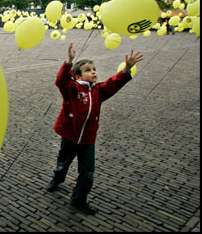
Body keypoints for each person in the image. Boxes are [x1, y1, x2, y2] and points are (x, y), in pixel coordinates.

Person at [47, 42, 143, 215]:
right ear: (77, 76)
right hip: (69, 137)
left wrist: (126, 69)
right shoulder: (72, 89)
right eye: (88, 70)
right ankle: (56, 180)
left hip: (87, 140)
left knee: (87, 173)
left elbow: (114, 84)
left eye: (94, 69)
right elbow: (61, 81)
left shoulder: (99, 91)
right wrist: (69, 62)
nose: (94, 72)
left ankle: (79, 199)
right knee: (63, 164)